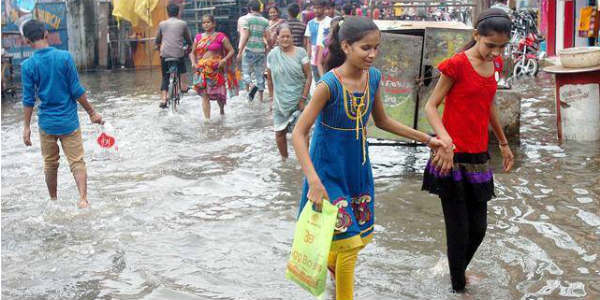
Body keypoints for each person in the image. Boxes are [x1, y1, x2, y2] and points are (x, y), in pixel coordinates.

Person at [291, 17, 447, 299]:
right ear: (346, 46)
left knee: (356, 238)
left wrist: (427, 139)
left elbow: (383, 121)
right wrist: (313, 180)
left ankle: (330, 264)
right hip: (327, 172)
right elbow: (299, 133)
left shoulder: (373, 78)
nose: (373, 54)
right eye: (366, 48)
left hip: (358, 170)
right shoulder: (328, 85)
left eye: (377, 47)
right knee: (349, 246)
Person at [422, 8, 514, 293]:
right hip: (450, 156)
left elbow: (488, 106)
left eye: (501, 47)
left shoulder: (494, 67)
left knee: (479, 229)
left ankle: (455, 269)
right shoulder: (456, 64)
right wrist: (445, 140)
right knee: (459, 231)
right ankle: (458, 289)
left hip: (478, 158)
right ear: (476, 36)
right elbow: (430, 106)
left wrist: (503, 142)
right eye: (490, 46)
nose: (495, 53)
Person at [21, 20, 104, 209]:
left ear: (27, 41)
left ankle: (53, 201)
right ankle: (83, 199)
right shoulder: (64, 57)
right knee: (77, 161)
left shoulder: (28, 66)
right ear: (46, 34)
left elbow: (28, 100)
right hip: (69, 122)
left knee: (50, 164)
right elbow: (76, 90)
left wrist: (26, 127)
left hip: (47, 124)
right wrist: (92, 113)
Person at [266, 26, 312, 160]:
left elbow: (309, 76)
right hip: (280, 102)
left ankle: (303, 162)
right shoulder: (272, 55)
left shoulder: (301, 53)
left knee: (302, 133)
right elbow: (269, 80)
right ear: (278, 38)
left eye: (288, 36)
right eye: (282, 36)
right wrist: (271, 99)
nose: (285, 39)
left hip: (299, 100)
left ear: (292, 37)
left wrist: (303, 98)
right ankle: (284, 161)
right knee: (279, 133)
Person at [190, 15, 237, 119]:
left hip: (216, 69)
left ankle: (222, 112)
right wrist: (194, 63)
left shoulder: (220, 36)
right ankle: (207, 120)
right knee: (205, 95)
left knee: (219, 95)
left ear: (214, 23)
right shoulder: (198, 38)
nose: (206, 24)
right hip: (202, 70)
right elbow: (192, 53)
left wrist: (224, 59)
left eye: (208, 22)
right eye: (204, 23)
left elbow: (231, 50)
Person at [155, 3, 193, 109]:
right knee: (182, 68)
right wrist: (189, 46)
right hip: (178, 54)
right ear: (178, 12)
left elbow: (157, 40)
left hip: (165, 54)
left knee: (165, 76)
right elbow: (188, 39)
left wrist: (157, 47)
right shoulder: (182, 23)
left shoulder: (162, 24)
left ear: (168, 13)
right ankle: (184, 86)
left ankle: (163, 98)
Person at [237, 0, 269, 102]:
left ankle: (251, 86)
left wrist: (239, 51)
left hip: (249, 49)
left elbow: (244, 35)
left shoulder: (243, 19)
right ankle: (260, 99)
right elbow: (268, 38)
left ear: (249, 8)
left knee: (246, 73)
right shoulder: (265, 21)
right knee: (260, 74)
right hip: (260, 50)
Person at [304, 0, 332, 83]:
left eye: (319, 8)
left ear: (324, 8)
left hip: (327, 55)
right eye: (315, 8)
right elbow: (308, 41)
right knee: (317, 81)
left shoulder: (330, 22)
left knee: (328, 78)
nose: (316, 10)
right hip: (314, 56)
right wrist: (308, 56)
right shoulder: (310, 23)